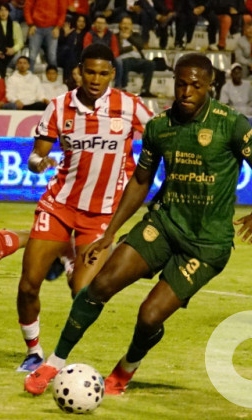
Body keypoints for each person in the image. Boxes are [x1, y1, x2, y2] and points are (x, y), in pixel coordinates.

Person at [24, 52, 252, 395]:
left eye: (195, 86)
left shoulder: (230, 123)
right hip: (163, 224)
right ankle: (53, 361)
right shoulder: (160, 126)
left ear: (209, 87)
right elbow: (141, 180)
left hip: (206, 245)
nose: (186, 92)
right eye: (181, 84)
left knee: (149, 316)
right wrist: (109, 233)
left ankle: (127, 366)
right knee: (99, 286)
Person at [14, 43, 152, 372]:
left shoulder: (130, 107)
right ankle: (33, 352)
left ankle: (69, 266)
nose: (96, 79)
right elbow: (36, 154)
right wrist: (38, 163)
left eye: (103, 73)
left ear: (112, 75)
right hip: (59, 207)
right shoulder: (59, 107)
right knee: (28, 284)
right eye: (90, 72)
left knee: (83, 296)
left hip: (103, 215)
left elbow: (162, 135)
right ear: (80, 71)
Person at [116, 15, 156, 98]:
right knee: (125, 62)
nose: (126, 26)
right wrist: (131, 48)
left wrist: (129, 38)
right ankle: (124, 87)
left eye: (128, 24)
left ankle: (145, 89)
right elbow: (117, 51)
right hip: (124, 60)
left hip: (138, 60)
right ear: (120, 25)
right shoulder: (115, 36)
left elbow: (141, 45)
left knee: (150, 64)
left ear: (131, 26)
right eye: (124, 24)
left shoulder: (135, 35)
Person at [24, 0, 67, 71]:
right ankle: (29, 78)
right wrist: (31, 24)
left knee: (52, 56)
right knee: (32, 55)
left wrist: (57, 27)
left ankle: (53, 80)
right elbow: (27, 7)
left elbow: (62, 12)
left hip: (52, 28)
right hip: (36, 27)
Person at [0, 4, 24, 79]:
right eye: (1, 10)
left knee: (20, 59)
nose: (3, 12)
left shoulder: (15, 25)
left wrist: (13, 50)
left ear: (8, 12)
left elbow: (20, 42)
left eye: (5, 10)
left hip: (12, 56)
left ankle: (18, 82)